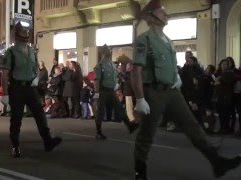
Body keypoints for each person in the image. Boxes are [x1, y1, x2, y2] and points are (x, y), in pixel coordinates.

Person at [131, 0, 241, 179]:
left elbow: (172, 65)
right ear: (151, 17)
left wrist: (177, 78)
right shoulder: (144, 40)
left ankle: (217, 162)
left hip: (173, 92)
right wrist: (140, 98)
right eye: (162, 12)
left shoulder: (168, 41)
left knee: (192, 126)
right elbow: (136, 70)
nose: (166, 14)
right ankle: (140, 172)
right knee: (146, 133)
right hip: (154, 92)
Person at [0, 22, 62, 158]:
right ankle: (15, 146)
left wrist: (35, 78)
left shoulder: (32, 52)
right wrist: (4, 94)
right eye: (22, 34)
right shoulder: (11, 52)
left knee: (40, 115)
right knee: (16, 119)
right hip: (16, 88)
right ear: (16, 36)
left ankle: (48, 141)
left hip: (30, 87)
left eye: (26, 34)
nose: (26, 36)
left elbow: (35, 69)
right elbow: (4, 73)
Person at [94, 44, 138, 140]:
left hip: (111, 90)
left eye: (109, 50)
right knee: (100, 112)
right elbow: (97, 80)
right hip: (103, 91)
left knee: (119, 109)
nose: (109, 52)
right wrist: (97, 93)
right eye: (107, 51)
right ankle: (99, 132)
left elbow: (116, 76)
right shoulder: (99, 66)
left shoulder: (112, 65)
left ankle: (130, 126)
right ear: (103, 53)